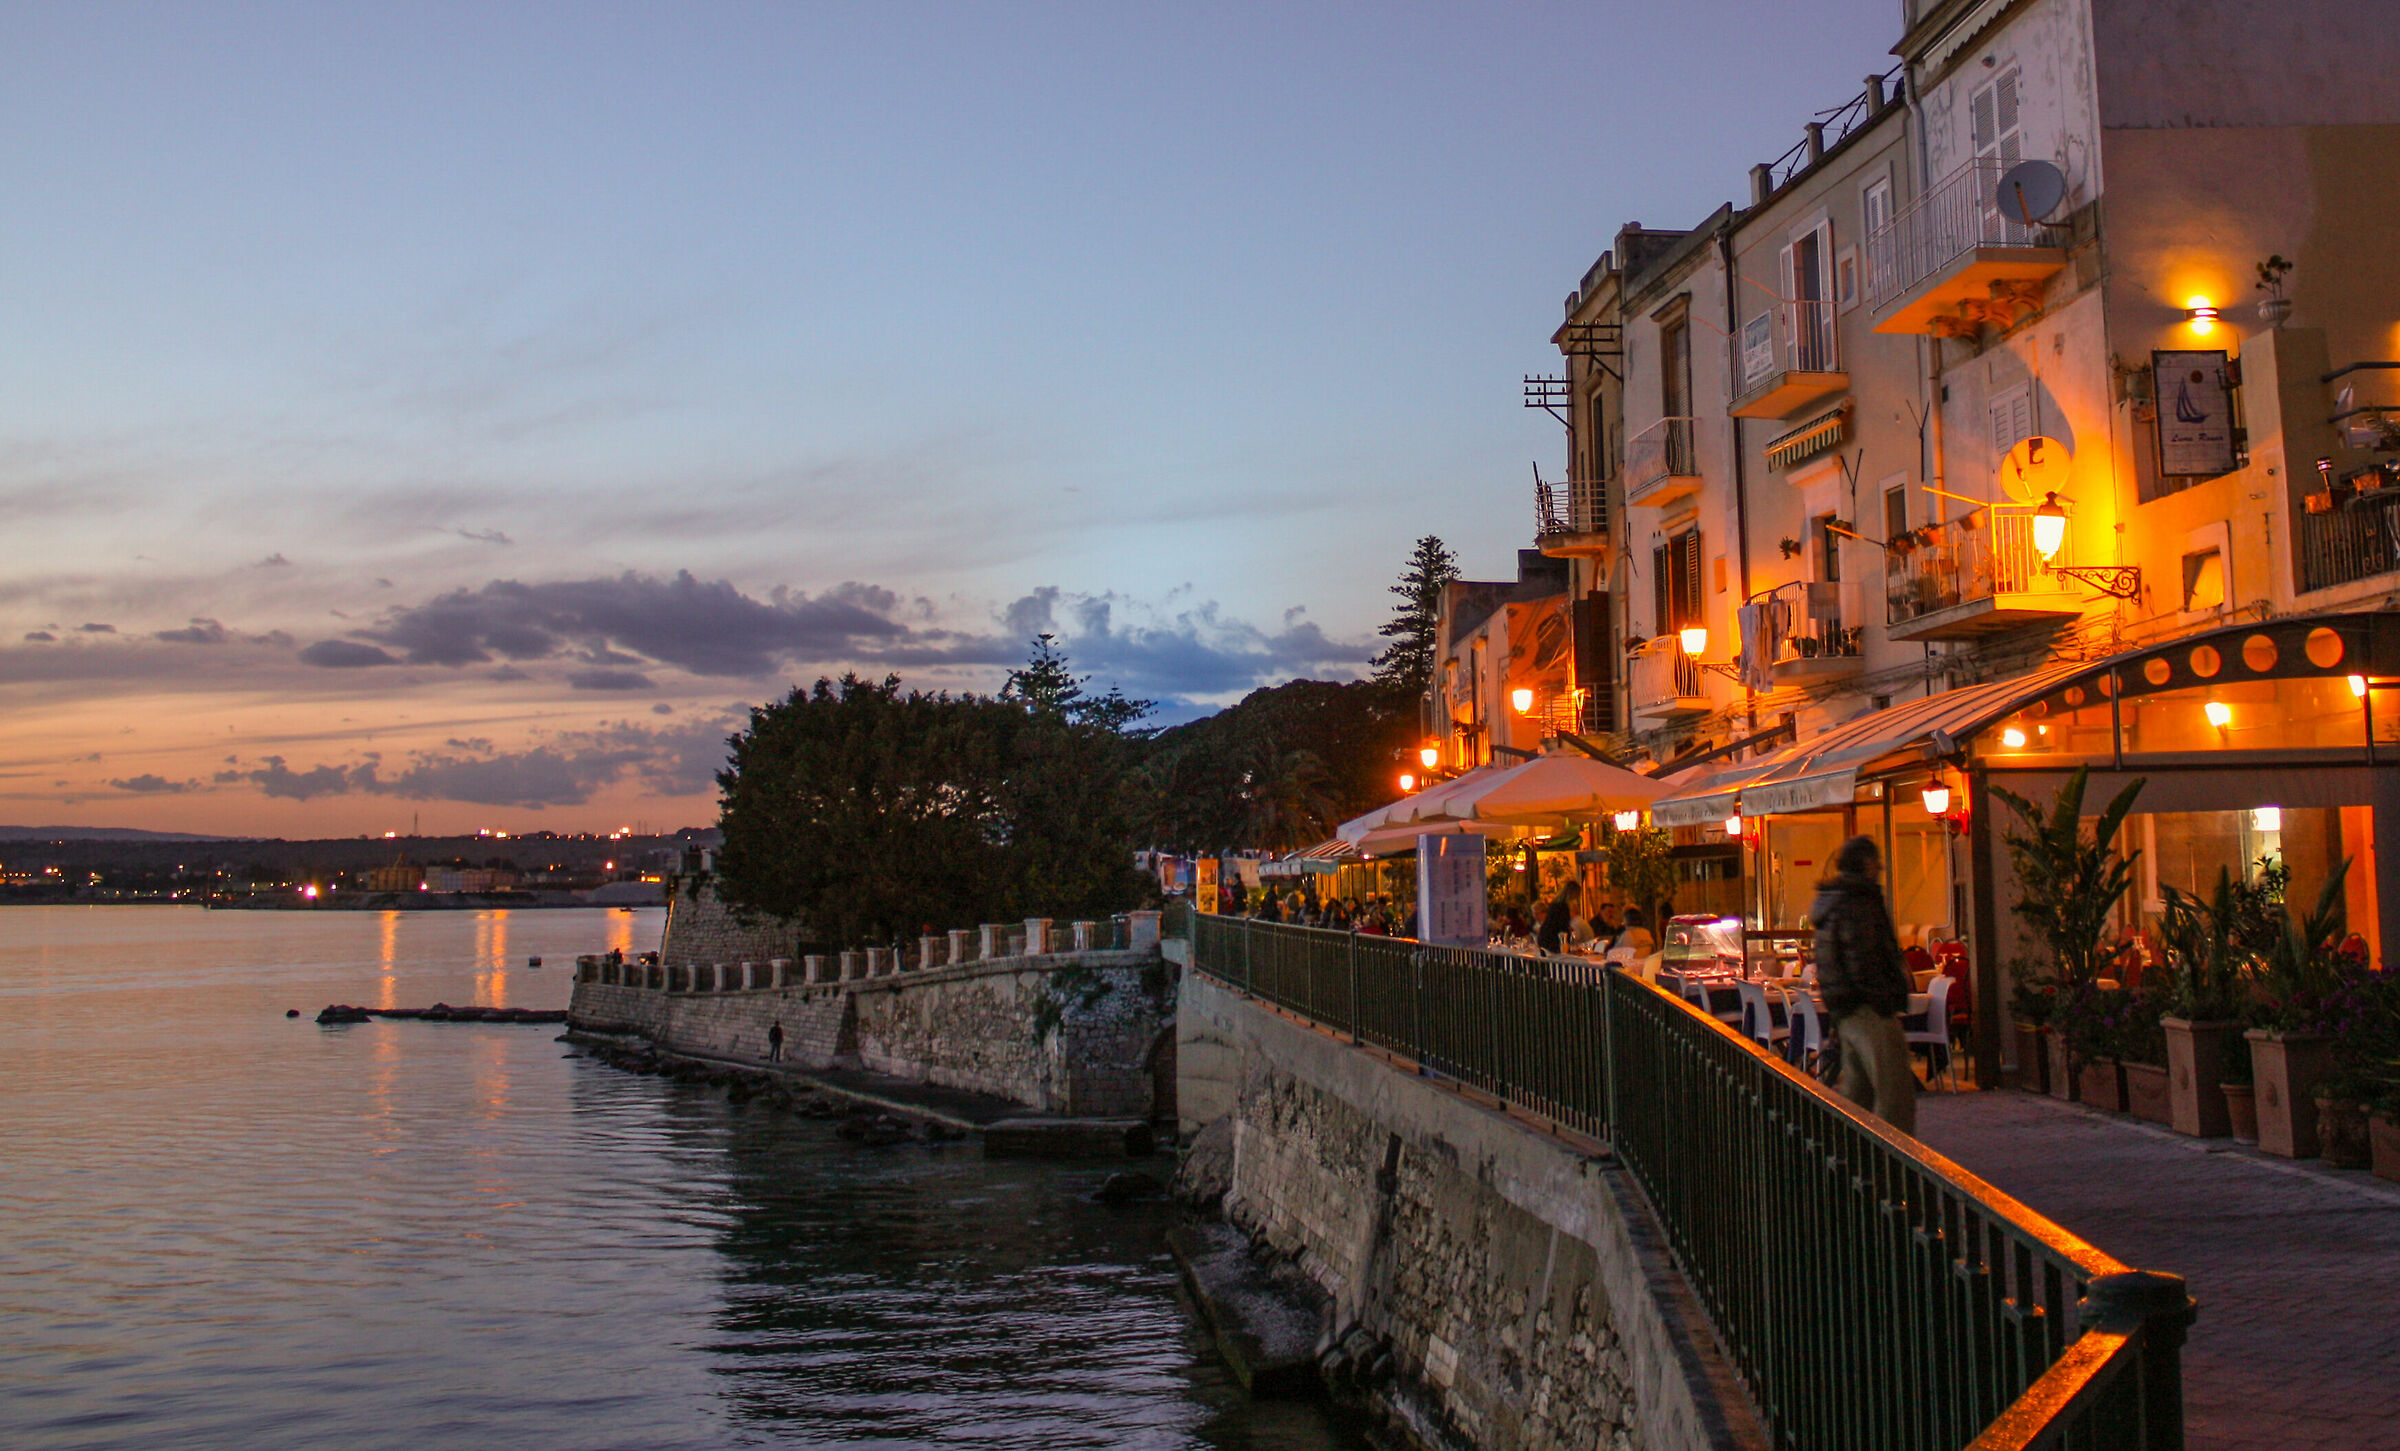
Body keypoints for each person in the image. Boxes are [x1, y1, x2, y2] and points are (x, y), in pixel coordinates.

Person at [1810, 835, 1917, 1134]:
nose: (1880, 868)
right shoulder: (1859, 902)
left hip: (1845, 1010)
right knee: (1893, 1093)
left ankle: (1849, 1157)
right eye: (1876, 862)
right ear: (1867, 864)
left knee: (1858, 1093)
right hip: (1869, 1009)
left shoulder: (1832, 902)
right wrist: (1885, 999)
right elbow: (1864, 957)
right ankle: (1892, 1163)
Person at [1536, 881, 1581, 954]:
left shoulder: (1555, 904)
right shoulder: (1563, 907)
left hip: (1546, 937)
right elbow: (1562, 926)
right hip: (1553, 939)